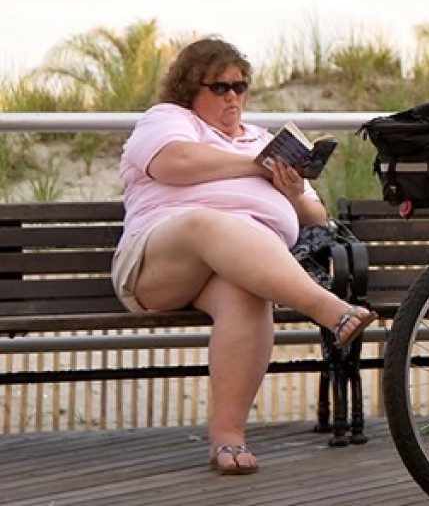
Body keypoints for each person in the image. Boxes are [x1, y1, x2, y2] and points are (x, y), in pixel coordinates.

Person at [112, 37, 376, 475]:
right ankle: (331, 311)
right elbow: (174, 162)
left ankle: (228, 438)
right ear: (189, 89)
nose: (233, 95)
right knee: (208, 222)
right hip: (160, 260)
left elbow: (314, 216)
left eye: (241, 86)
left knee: (246, 294)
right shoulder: (170, 120)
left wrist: (293, 192)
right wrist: (254, 166)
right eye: (220, 87)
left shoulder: (262, 141)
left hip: (236, 264)